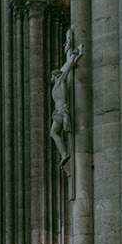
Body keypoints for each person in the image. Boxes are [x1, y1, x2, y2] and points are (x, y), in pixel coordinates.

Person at [49, 30, 84, 164]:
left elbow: (67, 68)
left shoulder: (60, 81)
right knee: (53, 133)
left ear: (56, 75)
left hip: (61, 111)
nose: (51, 79)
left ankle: (64, 154)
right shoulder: (57, 84)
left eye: (52, 76)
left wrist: (73, 56)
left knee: (53, 133)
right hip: (58, 112)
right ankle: (64, 154)